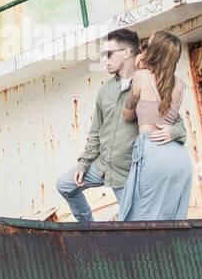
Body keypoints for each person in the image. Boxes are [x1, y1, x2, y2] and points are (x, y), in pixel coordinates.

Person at [55, 28, 187, 222]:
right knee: (64, 185)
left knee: (134, 224)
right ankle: (88, 228)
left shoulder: (150, 83)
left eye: (108, 54)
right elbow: (95, 131)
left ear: (126, 53)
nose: (104, 60)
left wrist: (174, 132)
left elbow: (176, 122)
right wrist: (84, 163)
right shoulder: (105, 90)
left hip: (127, 175)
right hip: (101, 165)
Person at [118, 31, 193, 221]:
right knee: (171, 219)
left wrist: (135, 72)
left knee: (141, 217)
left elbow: (127, 115)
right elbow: (171, 117)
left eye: (148, 45)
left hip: (152, 150)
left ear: (154, 52)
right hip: (179, 156)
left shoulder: (141, 76)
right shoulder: (180, 85)